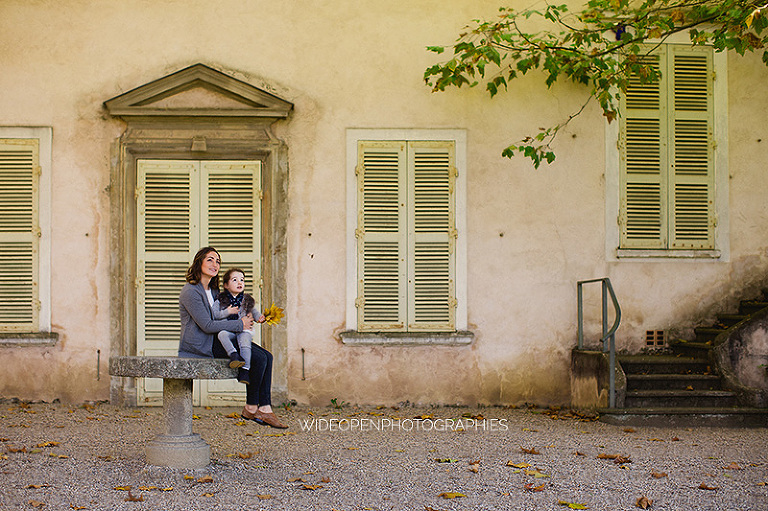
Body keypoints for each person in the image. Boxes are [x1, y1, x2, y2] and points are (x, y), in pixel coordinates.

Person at [178, 247, 287, 429]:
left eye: (218, 261)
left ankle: (264, 408)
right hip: (203, 343)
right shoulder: (191, 292)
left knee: (267, 356)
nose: (215, 264)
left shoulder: (214, 291)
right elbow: (207, 325)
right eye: (210, 259)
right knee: (259, 358)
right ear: (199, 262)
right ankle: (253, 408)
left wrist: (253, 317)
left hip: (218, 338)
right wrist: (239, 325)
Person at [212, 267, 265, 384]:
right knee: (222, 334)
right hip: (229, 329)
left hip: (243, 330)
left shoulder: (246, 300)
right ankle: (234, 354)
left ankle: (245, 370)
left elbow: (254, 311)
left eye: (242, 280)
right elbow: (215, 314)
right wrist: (227, 312)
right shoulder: (220, 300)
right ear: (226, 285)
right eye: (235, 280)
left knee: (245, 343)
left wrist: (259, 317)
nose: (239, 283)